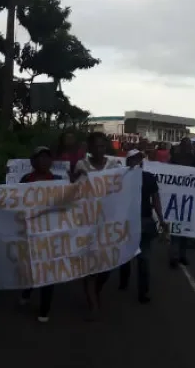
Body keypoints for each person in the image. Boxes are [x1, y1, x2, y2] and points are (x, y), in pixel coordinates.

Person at [73, 132, 123, 320]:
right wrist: (76, 177)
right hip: (87, 221)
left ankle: (96, 291)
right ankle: (93, 304)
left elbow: (123, 185)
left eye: (102, 146)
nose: (99, 149)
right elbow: (73, 188)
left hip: (107, 222)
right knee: (90, 265)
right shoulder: (81, 165)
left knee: (106, 267)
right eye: (96, 146)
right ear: (90, 148)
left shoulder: (114, 166)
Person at [17, 147, 63, 323]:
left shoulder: (58, 181)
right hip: (30, 233)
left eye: (47, 158)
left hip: (51, 234)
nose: (44, 161)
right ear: (33, 162)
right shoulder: (25, 180)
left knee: (48, 271)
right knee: (31, 267)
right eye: (40, 158)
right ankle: (27, 291)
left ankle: (45, 309)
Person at [119, 149, 167, 303]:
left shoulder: (143, 178)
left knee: (140, 258)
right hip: (131, 222)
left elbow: (156, 200)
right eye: (134, 159)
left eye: (138, 159)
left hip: (142, 222)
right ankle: (134, 287)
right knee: (136, 257)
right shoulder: (122, 179)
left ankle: (135, 288)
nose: (137, 162)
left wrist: (161, 219)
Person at [168, 137, 195, 268]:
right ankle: (174, 256)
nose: (188, 147)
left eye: (189, 145)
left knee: (185, 230)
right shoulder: (175, 158)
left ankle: (182, 255)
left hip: (190, 199)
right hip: (176, 198)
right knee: (176, 230)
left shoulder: (194, 159)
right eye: (186, 145)